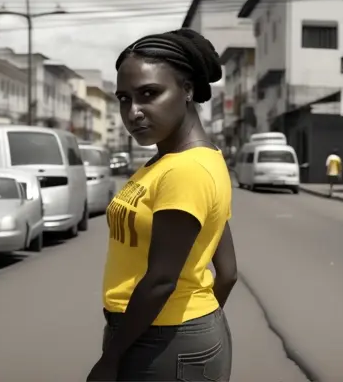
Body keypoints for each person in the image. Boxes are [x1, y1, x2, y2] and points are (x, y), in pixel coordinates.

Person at [86, 28, 238, 382]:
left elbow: (160, 280)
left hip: (159, 340)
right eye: (124, 98)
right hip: (170, 334)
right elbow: (227, 272)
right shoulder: (185, 160)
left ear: (187, 90)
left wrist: (111, 360)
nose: (133, 112)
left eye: (149, 94)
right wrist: (200, 323)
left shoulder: (185, 169)